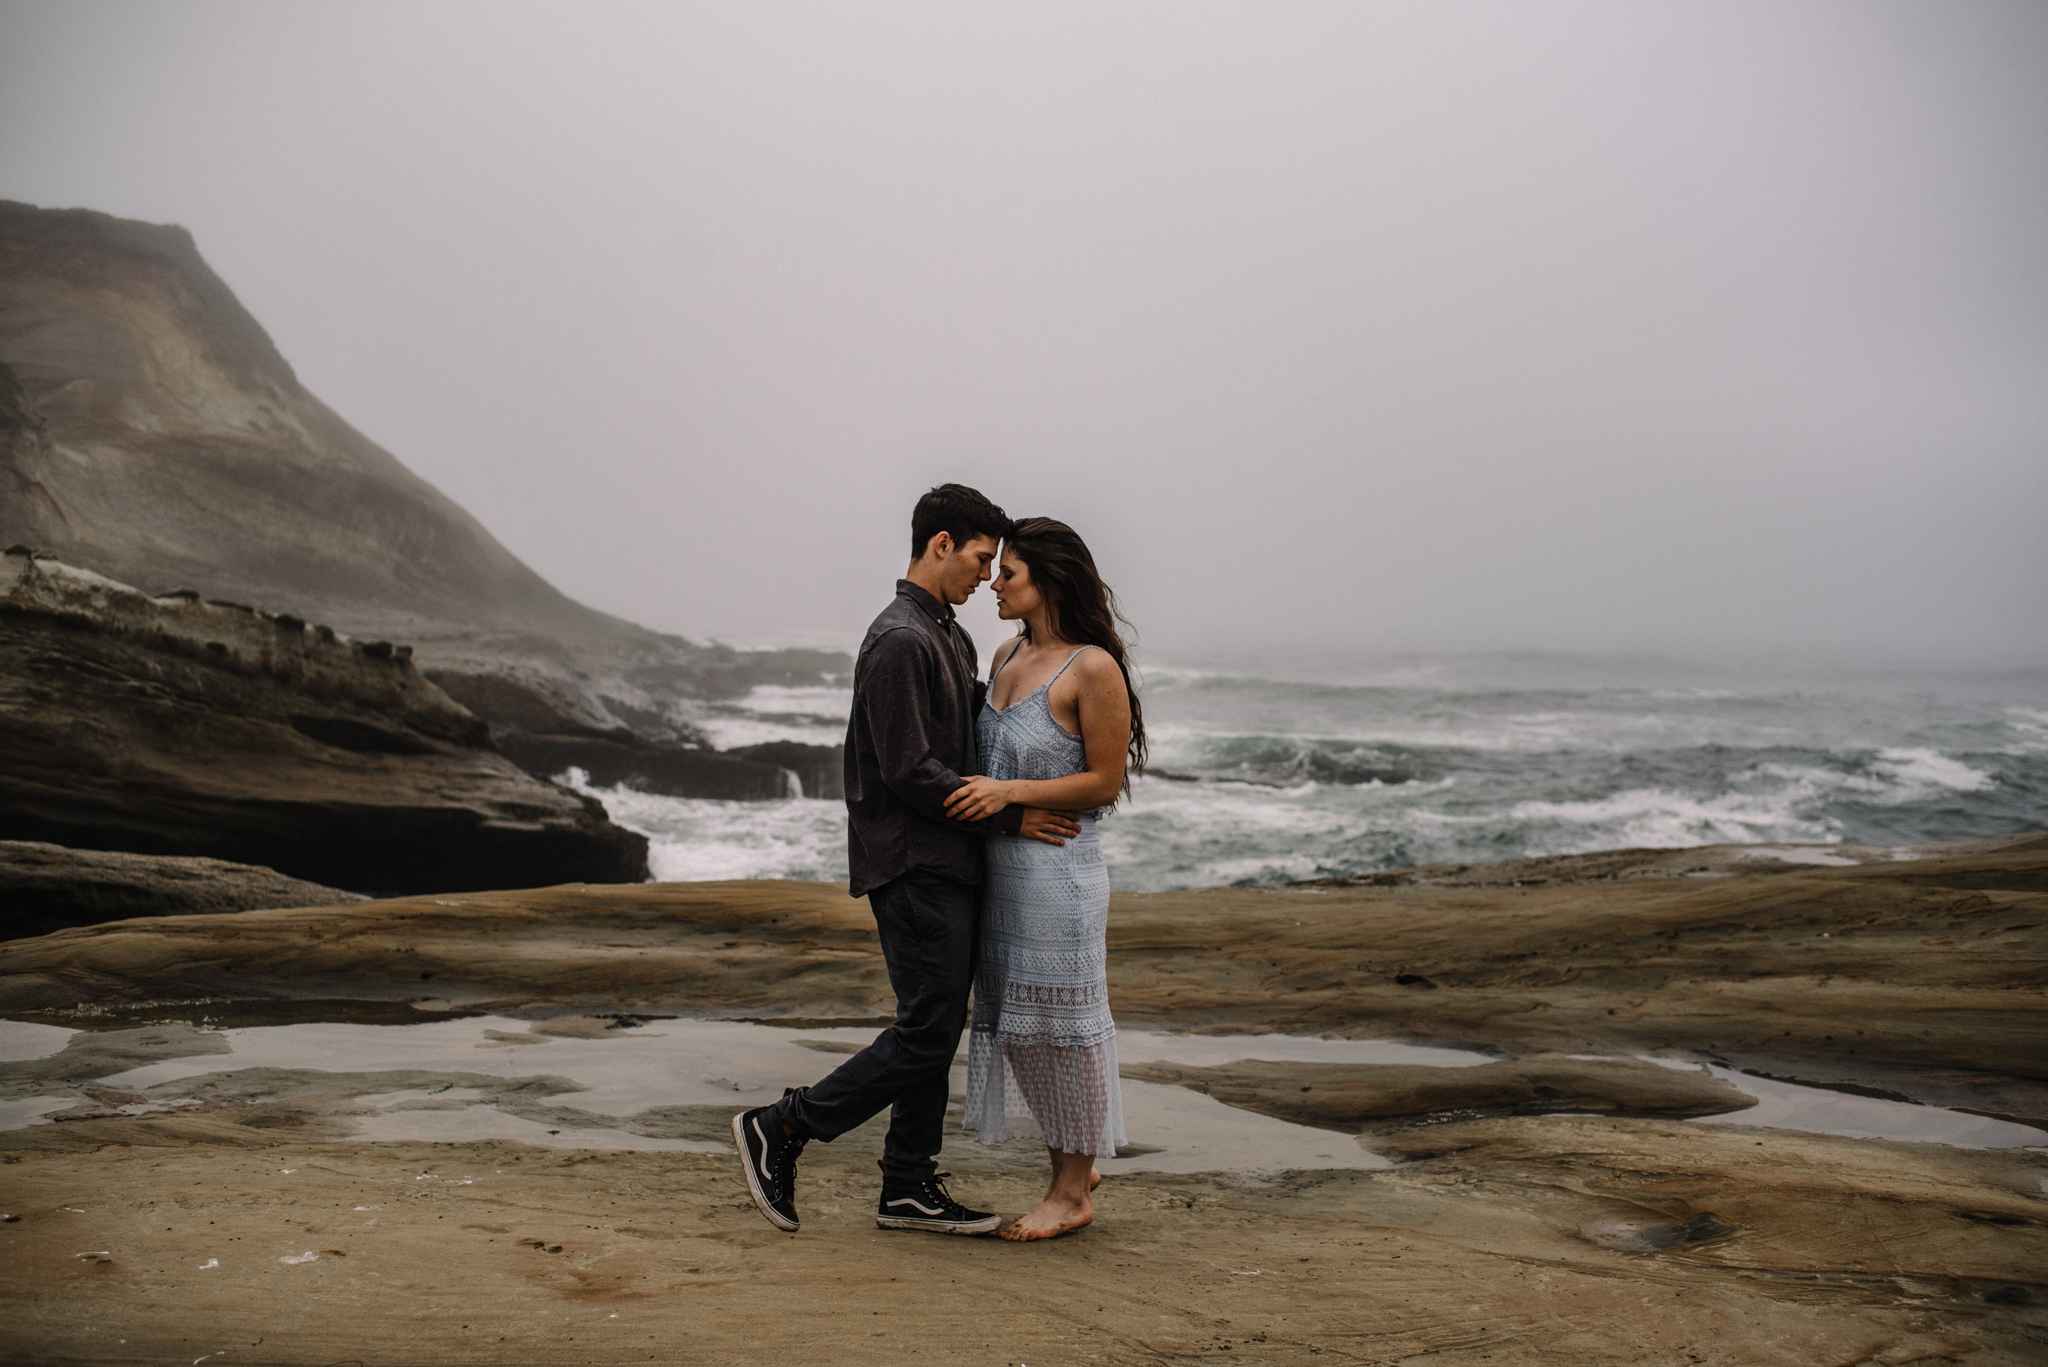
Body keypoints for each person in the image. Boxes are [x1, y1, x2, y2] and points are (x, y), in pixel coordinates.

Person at [734, 484, 1082, 1236]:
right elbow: (908, 768)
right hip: (911, 863)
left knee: (931, 1024)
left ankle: (906, 1185)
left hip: (947, 862)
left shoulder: (947, 635)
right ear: (941, 544)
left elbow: (969, 743)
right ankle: (783, 1126)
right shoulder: (900, 638)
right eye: (982, 558)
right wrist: (1017, 813)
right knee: (927, 1029)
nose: (987, 576)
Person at [942, 517, 1146, 1241]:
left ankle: (1070, 1190)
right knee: (1019, 1027)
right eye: (993, 571)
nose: (994, 584)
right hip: (1000, 874)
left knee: (1063, 1029)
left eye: (1010, 573)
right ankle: (1075, 1153)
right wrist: (997, 807)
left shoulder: (1092, 667)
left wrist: (1010, 795)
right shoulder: (1006, 652)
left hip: (1060, 874)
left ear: (1049, 579)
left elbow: (1104, 780)